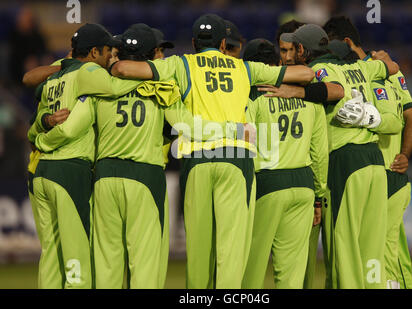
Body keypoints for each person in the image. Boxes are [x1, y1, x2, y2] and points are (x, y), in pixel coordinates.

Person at [110, 13, 315, 288]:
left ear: (194, 42)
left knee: (198, 246)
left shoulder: (181, 64)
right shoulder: (244, 68)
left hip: (198, 159)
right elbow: (306, 73)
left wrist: (112, 63)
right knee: (231, 248)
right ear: (222, 43)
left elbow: (124, 70)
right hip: (235, 157)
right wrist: (293, 90)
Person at [258, 23, 399, 288]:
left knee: (343, 249)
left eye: (294, 49)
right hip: (375, 162)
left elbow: (334, 90)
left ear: (302, 49)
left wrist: (296, 91)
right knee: (371, 250)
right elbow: (392, 67)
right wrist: (383, 59)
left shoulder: (319, 70)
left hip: (345, 162)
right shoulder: (361, 67)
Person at [27, 23, 143, 289]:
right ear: (93, 52)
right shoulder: (88, 71)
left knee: (51, 254)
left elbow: (33, 127)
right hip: (70, 169)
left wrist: (43, 131)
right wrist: (150, 75)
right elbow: (115, 87)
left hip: (42, 172)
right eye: (106, 52)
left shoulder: (54, 80)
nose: (108, 57)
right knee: (77, 251)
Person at [323, 15, 412, 289]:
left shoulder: (375, 71)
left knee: (386, 258)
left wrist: (404, 154)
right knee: (371, 258)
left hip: (385, 173)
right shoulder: (379, 69)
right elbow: (411, 116)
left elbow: (405, 119)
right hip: (373, 172)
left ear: (344, 43)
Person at [241, 38, 328, 289]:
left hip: (266, 184)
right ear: (278, 63)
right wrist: (318, 197)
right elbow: (320, 152)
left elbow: (244, 145)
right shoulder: (307, 96)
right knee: (291, 274)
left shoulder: (252, 97)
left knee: (251, 267)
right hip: (303, 185)